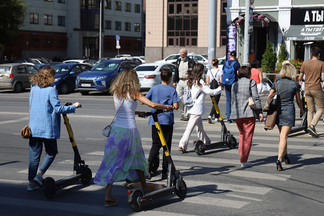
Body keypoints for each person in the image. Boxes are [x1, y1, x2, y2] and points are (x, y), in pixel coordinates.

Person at [94, 68, 171, 207]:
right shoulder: (134, 93)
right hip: (129, 132)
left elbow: (120, 111)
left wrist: (137, 112)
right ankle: (144, 186)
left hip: (116, 132)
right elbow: (152, 104)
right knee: (138, 158)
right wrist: (166, 107)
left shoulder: (116, 93)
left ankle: (108, 196)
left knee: (113, 162)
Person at [27, 66, 81, 191]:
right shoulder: (51, 91)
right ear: (50, 77)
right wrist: (74, 106)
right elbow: (58, 109)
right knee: (51, 152)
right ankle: (39, 176)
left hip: (33, 128)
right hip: (47, 129)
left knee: (33, 157)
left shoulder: (33, 89)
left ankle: (31, 183)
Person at [178, 63, 222, 153]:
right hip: (196, 109)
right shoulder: (200, 82)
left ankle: (206, 141)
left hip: (191, 107)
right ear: (201, 71)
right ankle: (182, 144)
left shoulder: (190, 81)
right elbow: (210, 92)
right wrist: (220, 89)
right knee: (190, 127)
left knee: (199, 127)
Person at [145, 68, 180, 179]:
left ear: (160, 77)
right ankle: (166, 171)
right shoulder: (172, 90)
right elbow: (176, 106)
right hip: (167, 121)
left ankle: (149, 166)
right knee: (166, 146)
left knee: (156, 144)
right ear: (170, 78)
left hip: (155, 120)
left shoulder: (154, 89)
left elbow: (144, 101)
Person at [271, 61, 304, 171]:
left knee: (282, 135)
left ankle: (286, 156)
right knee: (284, 136)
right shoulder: (294, 84)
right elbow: (299, 100)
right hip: (289, 111)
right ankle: (279, 160)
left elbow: (270, 95)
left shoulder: (277, 82)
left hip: (278, 111)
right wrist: (302, 110)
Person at [230, 66, 264, 167]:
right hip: (249, 113)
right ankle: (244, 160)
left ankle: (242, 154)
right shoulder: (251, 82)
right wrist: (260, 112)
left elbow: (232, 100)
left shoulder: (234, 84)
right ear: (248, 74)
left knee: (242, 134)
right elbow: (256, 98)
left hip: (237, 113)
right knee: (247, 136)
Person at [298, 46, 324, 138]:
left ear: (311, 54)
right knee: (321, 108)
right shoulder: (321, 64)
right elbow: (323, 78)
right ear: (319, 54)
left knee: (310, 110)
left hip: (307, 88)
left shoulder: (305, 63)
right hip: (316, 88)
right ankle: (312, 125)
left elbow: (300, 77)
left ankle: (309, 130)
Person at [173, 48, 195, 121]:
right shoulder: (178, 61)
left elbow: (193, 72)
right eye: (180, 55)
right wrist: (174, 81)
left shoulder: (191, 62)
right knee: (178, 97)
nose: (181, 56)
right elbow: (176, 71)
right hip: (180, 81)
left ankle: (186, 115)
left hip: (187, 81)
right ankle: (182, 112)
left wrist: (191, 81)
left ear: (186, 54)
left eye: (183, 55)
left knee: (186, 98)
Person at [220, 51, 240, 123]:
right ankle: (234, 116)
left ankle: (228, 118)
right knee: (234, 100)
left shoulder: (225, 63)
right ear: (235, 56)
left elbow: (222, 73)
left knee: (228, 100)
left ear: (229, 56)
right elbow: (238, 74)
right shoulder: (236, 64)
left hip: (226, 83)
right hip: (234, 83)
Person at [206, 58, 222, 124]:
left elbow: (207, 81)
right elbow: (220, 80)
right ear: (217, 63)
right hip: (217, 88)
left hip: (211, 88)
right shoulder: (220, 70)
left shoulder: (209, 71)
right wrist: (221, 85)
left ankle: (216, 117)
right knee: (215, 102)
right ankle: (210, 115)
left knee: (214, 102)